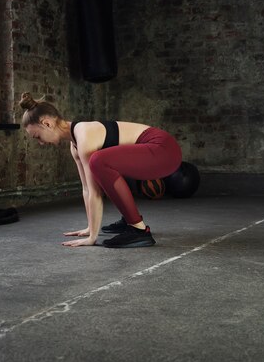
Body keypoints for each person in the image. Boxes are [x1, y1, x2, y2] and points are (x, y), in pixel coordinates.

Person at [19, 92, 182, 248]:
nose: (40, 143)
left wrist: (92, 239)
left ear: (46, 124)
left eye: (37, 137)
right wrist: (90, 228)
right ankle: (129, 220)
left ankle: (139, 230)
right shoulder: (75, 144)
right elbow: (86, 189)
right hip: (154, 153)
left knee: (98, 161)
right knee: (100, 164)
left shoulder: (84, 135)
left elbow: (96, 192)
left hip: (164, 150)